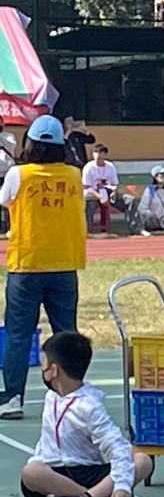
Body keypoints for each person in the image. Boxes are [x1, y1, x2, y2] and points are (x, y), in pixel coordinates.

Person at [0, 115, 85, 420]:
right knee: (66, 332)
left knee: (18, 334)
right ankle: (71, 396)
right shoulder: (74, 175)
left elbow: (4, 201)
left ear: (30, 143)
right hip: (64, 263)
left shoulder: (19, 174)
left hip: (27, 264)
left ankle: (13, 397)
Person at [19, 331, 153, 497]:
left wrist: (122, 485)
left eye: (44, 363)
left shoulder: (89, 406)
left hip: (88, 472)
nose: (42, 369)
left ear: (54, 370)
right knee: (31, 472)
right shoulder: (51, 398)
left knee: (142, 461)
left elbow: (117, 446)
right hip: (54, 478)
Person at [81, 144, 142, 235]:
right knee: (87, 203)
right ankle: (87, 230)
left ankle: (136, 229)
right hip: (93, 193)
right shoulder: (88, 167)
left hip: (108, 192)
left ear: (105, 155)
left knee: (130, 200)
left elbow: (114, 183)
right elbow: (87, 186)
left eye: (100, 153)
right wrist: (100, 197)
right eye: (96, 153)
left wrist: (114, 192)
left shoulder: (110, 166)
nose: (98, 156)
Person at [0, 121, 16, 236]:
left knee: (9, 201)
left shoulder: (9, 136)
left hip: (7, 173)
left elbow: (11, 145)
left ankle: (10, 226)